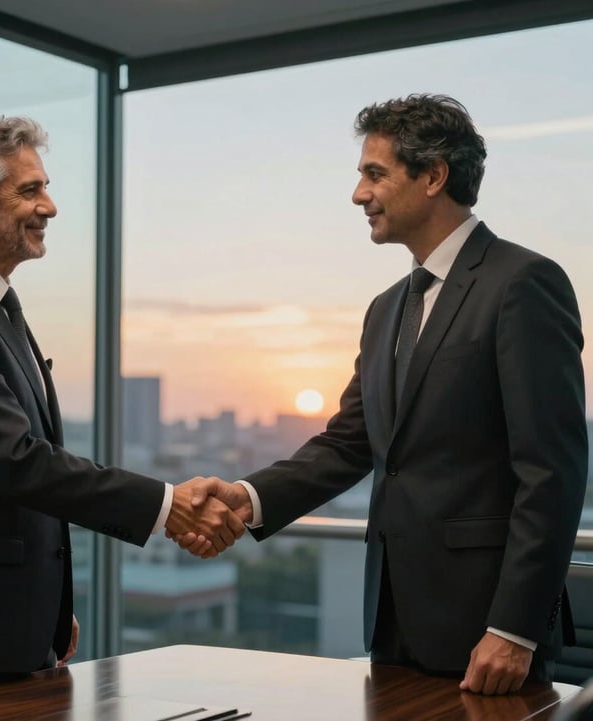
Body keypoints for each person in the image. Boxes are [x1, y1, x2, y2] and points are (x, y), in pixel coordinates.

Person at [173, 94, 588, 695]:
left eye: (374, 174)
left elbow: (552, 471)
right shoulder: (386, 308)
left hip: (488, 633)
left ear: (433, 176)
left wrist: (515, 629)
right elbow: (348, 443)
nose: (358, 194)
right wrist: (247, 497)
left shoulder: (523, 283)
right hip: (392, 623)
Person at [0, 115, 243, 696]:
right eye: (29, 191)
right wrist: (168, 505)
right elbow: (17, 461)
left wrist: (48, 606)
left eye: (45, 187)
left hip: (4, 626)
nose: (49, 206)